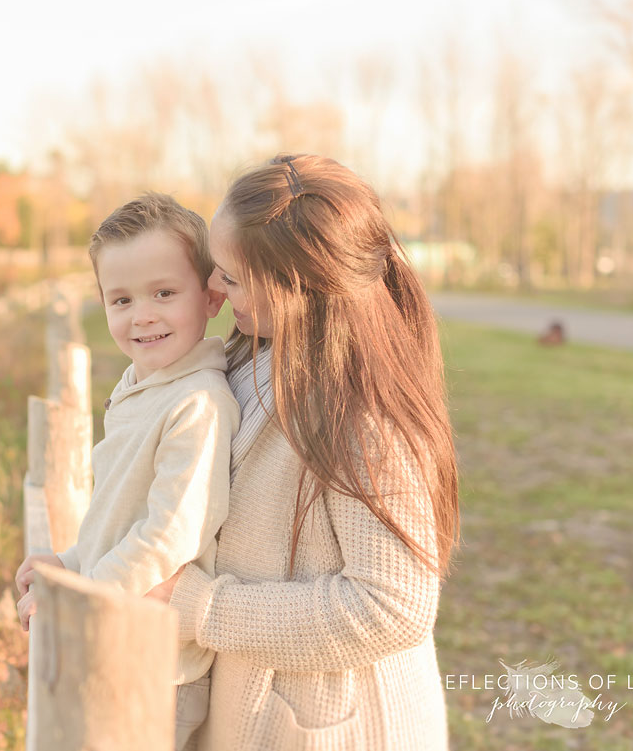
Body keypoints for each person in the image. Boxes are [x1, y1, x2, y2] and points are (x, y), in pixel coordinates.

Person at [146, 154, 460, 750]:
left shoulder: (364, 417)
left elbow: (392, 605)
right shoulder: (246, 360)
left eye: (231, 277)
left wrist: (203, 609)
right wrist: (80, 566)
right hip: (249, 715)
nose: (211, 286)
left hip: (337, 733)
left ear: (298, 289)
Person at [14, 192, 240, 751]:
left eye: (164, 293)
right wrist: (68, 564)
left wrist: (81, 596)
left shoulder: (197, 404)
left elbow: (168, 535)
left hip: (153, 666)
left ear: (211, 295)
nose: (142, 315)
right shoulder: (139, 387)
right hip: (112, 635)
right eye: (121, 300)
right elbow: (118, 512)